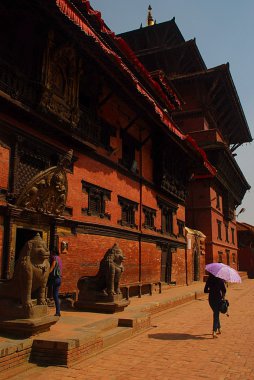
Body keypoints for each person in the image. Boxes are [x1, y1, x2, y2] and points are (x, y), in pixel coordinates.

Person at [204, 273, 226, 338]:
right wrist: (222, 296)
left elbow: (205, 290)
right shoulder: (220, 280)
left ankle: (219, 328)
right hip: (218, 299)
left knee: (216, 313)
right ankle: (214, 331)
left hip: (211, 300)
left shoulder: (209, 279)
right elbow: (224, 290)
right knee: (216, 313)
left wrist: (211, 291)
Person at [48, 248, 62, 317]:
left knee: (54, 295)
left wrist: (47, 273)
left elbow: (53, 266)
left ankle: (57, 312)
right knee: (56, 295)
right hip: (59, 278)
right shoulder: (59, 258)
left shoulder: (54, 258)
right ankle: (58, 311)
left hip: (54, 278)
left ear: (53, 252)